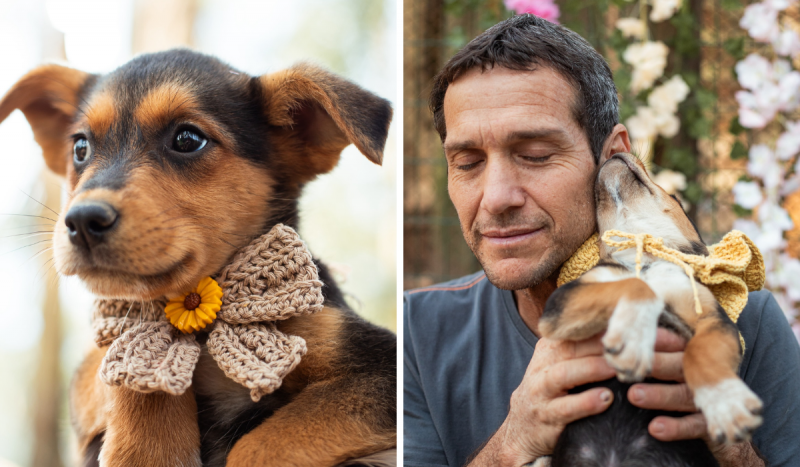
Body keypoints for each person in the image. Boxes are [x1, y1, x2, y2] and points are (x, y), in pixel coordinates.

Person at [403, 14, 800, 467]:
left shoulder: (746, 317)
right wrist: (512, 444)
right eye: (468, 162)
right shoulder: (416, 333)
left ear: (613, 157)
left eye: (535, 155)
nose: (496, 198)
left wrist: (734, 452)